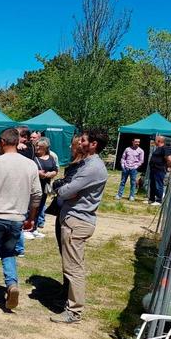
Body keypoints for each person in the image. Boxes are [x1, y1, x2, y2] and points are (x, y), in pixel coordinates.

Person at [0, 128, 42, 308]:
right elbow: (37, 194)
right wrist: (32, 216)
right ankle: (12, 285)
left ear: (3, 142)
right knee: (9, 253)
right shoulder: (30, 165)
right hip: (18, 217)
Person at [50, 130, 108, 323]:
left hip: (77, 222)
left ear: (93, 145)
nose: (79, 143)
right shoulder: (87, 164)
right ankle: (70, 303)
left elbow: (68, 190)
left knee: (74, 269)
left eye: (83, 140)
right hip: (74, 221)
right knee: (73, 267)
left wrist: (59, 189)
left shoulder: (93, 167)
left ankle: (74, 311)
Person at [32, 137, 58, 236]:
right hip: (34, 186)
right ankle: (27, 227)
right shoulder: (33, 157)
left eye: (40, 146)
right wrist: (37, 173)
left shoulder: (51, 157)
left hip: (44, 186)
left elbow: (55, 170)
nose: (37, 147)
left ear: (45, 147)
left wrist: (50, 174)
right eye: (36, 145)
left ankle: (34, 228)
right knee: (32, 206)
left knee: (40, 206)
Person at [148, 135, 171, 206]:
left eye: (155, 140)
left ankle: (159, 200)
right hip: (153, 169)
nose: (154, 141)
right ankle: (151, 199)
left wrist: (169, 166)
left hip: (160, 169)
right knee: (152, 185)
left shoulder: (164, 148)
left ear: (159, 141)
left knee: (158, 185)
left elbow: (169, 159)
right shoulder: (158, 148)